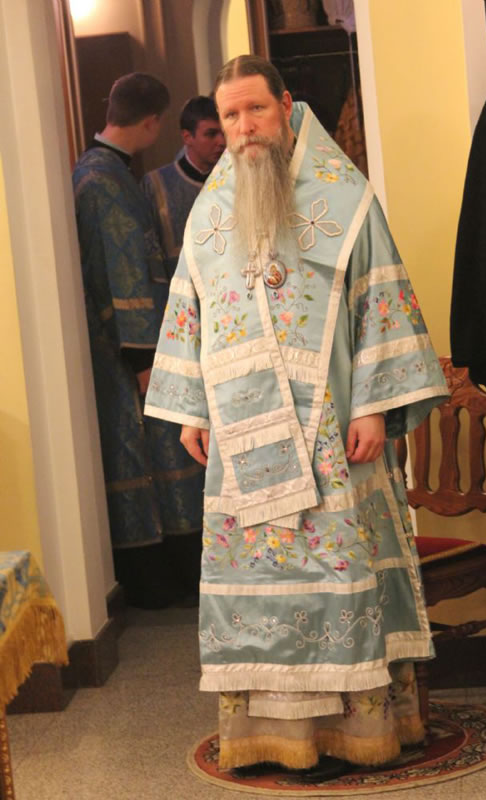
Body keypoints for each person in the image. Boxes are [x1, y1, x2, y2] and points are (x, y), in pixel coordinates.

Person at [144, 56, 448, 779]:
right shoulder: (210, 211)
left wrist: (372, 405)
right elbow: (189, 310)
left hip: (334, 435)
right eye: (230, 117)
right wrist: (191, 409)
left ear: (286, 106)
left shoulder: (345, 200)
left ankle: (359, 731)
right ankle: (273, 735)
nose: (244, 128)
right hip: (242, 443)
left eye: (256, 110)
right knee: (262, 590)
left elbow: (381, 301)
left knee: (337, 578)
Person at [73, 73, 205, 609]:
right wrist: (144, 357)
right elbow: (125, 271)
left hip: (130, 345)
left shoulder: (100, 171)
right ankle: (157, 578)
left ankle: (169, 572)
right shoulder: (104, 181)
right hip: (128, 350)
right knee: (149, 455)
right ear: (153, 123)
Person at [142, 96, 225, 260]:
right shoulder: (156, 184)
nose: (221, 142)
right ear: (187, 137)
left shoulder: (235, 180)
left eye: (224, 133)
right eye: (211, 134)